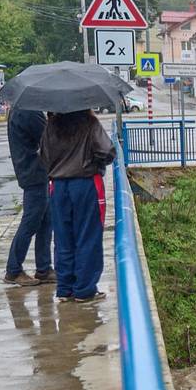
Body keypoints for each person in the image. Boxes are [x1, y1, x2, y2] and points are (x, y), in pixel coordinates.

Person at [40, 110, 115, 303]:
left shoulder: (52, 125)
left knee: (63, 237)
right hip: (86, 183)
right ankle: (84, 289)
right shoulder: (89, 122)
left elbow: (43, 156)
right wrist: (95, 161)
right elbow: (107, 151)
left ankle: (64, 288)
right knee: (88, 236)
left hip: (58, 186)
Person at [4, 109, 54, 287]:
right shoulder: (29, 111)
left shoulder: (19, 109)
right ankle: (13, 269)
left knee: (46, 221)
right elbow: (48, 137)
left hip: (33, 172)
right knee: (31, 222)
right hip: (34, 173)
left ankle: (44, 268)